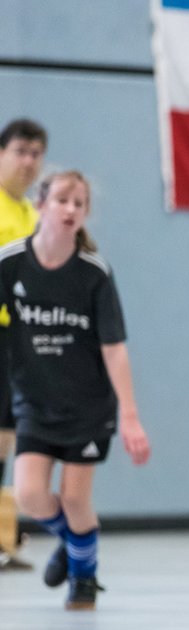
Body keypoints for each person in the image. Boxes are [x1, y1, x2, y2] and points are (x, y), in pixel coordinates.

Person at [0, 170, 151, 609]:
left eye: (79, 204)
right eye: (62, 200)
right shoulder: (11, 263)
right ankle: (73, 541)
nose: (70, 210)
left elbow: (114, 349)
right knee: (29, 494)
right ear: (41, 205)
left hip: (87, 405)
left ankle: (84, 578)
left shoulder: (94, 274)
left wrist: (130, 415)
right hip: (33, 399)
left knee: (74, 497)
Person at [0, 118, 48, 571]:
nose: (29, 162)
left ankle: (3, 539)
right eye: (20, 151)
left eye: (36, 154)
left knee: (7, 438)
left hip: (18, 338)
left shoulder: (33, 216)